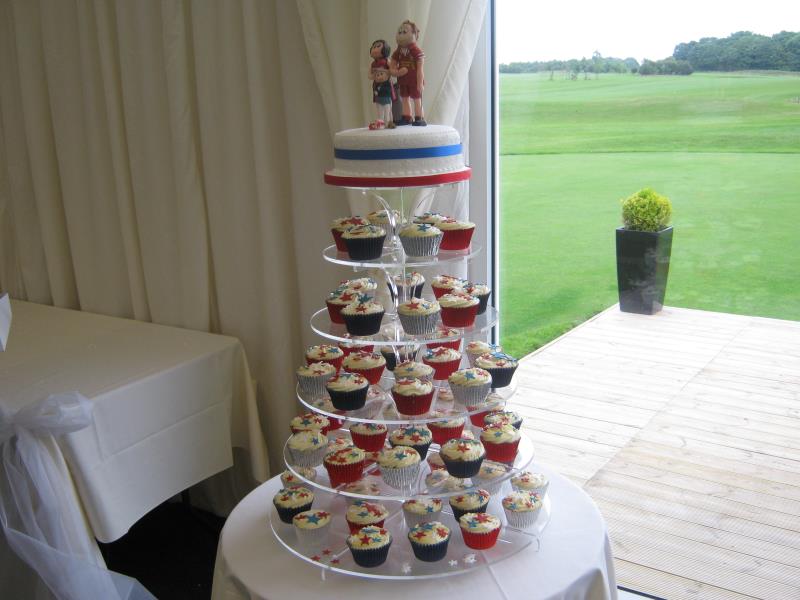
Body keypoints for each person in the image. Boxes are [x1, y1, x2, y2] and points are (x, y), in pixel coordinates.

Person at [390, 20, 426, 126]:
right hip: (403, 80)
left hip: (414, 81)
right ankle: (407, 117)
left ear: (414, 34)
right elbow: (392, 65)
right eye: (400, 32)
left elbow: (420, 69)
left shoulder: (416, 52)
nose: (401, 35)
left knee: (416, 99)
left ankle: (419, 117)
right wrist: (397, 72)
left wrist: (420, 83)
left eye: (405, 32)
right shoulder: (398, 52)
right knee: (404, 98)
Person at [370, 61, 395, 130]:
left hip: (387, 101)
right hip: (379, 101)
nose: (379, 76)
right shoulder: (376, 84)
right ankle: (381, 124)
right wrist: (376, 92)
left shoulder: (388, 83)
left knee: (387, 113)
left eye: (381, 74)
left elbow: (388, 91)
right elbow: (376, 91)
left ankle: (387, 123)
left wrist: (379, 91)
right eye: (377, 75)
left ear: (387, 75)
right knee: (380, 114)